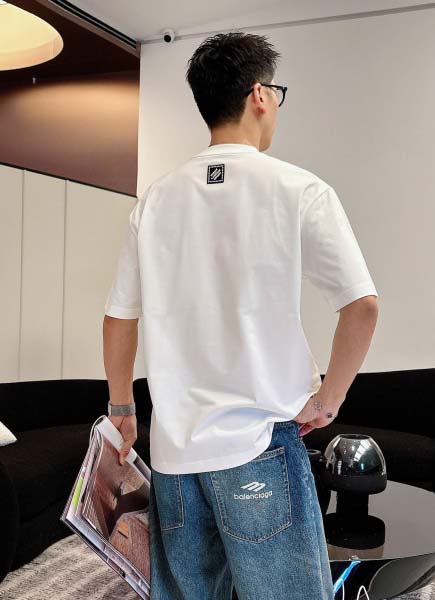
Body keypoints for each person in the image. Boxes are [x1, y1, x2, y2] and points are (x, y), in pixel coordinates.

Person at [103, 31, 379, 599]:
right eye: (277, 92)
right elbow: (362, 306)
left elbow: (119, 319)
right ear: (259, 94)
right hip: (261, 446)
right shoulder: (299, 188)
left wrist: (123, 409)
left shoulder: (154, 200)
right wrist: (328, 401)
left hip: (175, 454)